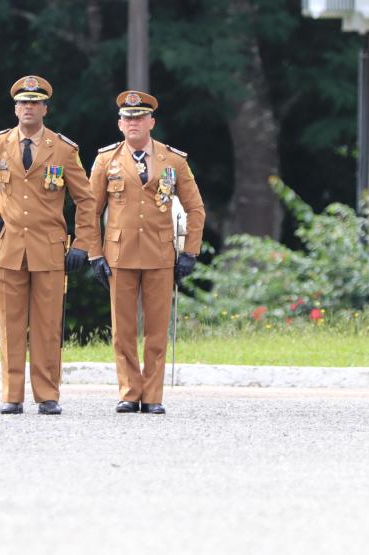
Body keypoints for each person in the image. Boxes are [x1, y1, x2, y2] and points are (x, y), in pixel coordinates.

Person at [0, 75, 100, 415]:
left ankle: (47, 394)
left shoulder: (64, 150)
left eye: (34, 103)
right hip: (8, 247)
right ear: (15, 108)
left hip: (49, 249)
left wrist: (83, 243)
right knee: (10, 326)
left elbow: (87, 201)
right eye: (23, 103)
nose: (28, 108)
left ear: (44, 109)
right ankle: (12, 395)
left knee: (47, 325)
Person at [88, 90, 205, 414]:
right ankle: (129, 391)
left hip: (159, 254)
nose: (134, 123)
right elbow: (89, 211)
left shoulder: (173, 160)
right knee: (122, 329)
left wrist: (189, 252)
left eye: (140, 118)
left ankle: (152, 394)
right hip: (119, 254)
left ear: (151, 122)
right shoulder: (106, 160)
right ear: (120, 124)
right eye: (128, 118)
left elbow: (195, 209)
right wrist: (95, 254)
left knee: (156, 329)